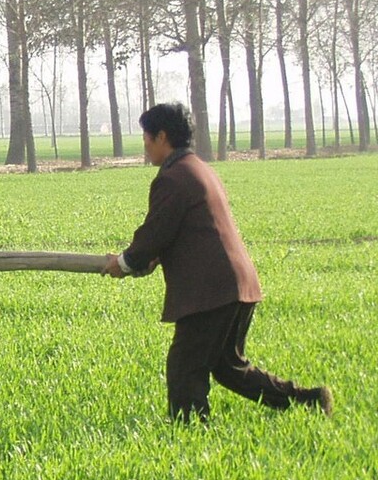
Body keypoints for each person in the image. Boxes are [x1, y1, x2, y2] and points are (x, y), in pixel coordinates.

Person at [102, 102, 333, 422]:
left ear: (162, 136)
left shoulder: (174, 177)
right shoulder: (198, 168)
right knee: (228, 367)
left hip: (210, 291)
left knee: (185, 365)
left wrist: (126, 262)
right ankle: (307, 401)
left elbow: (156, 231)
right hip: (236, 284)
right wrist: (147, 259)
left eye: (146, 136)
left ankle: (190, 428)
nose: (144, 144)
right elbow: (184, 231)